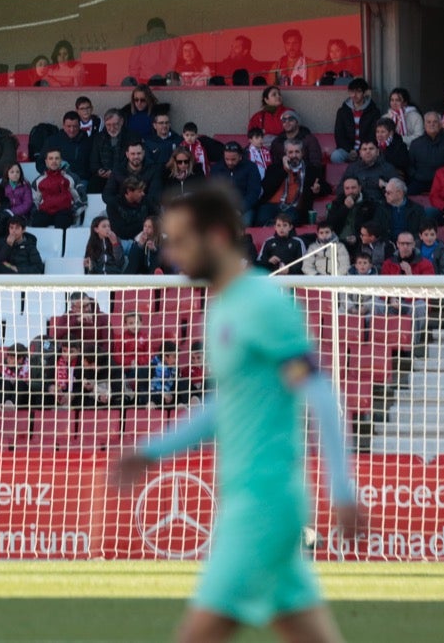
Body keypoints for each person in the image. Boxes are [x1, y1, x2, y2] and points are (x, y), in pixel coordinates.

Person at [111, 185, 359, 643]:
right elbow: (226, 407)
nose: (172, 251)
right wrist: (151, 450)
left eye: (183, 239)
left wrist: (343, 489)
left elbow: (319, 392)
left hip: (264, 503)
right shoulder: (221, 308)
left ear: (219, 236)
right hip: (247, 498)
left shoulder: (263, 303)